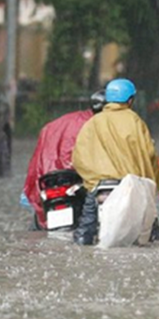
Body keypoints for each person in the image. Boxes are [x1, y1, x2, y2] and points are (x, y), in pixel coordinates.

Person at [72, 78, 159, 246]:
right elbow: (149, 153)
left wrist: (92, 182)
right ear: (130, 100)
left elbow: (79, 157)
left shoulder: (93, 122)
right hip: (129, 184)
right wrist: (155, 184)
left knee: (85, 230)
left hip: (99, 186)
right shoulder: (135, 121)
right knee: (151, 230)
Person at [22, 91, 105, 229]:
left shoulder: (56, 124)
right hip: (76, 184)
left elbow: (36, 165)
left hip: (49, 182)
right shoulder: (100, 126)